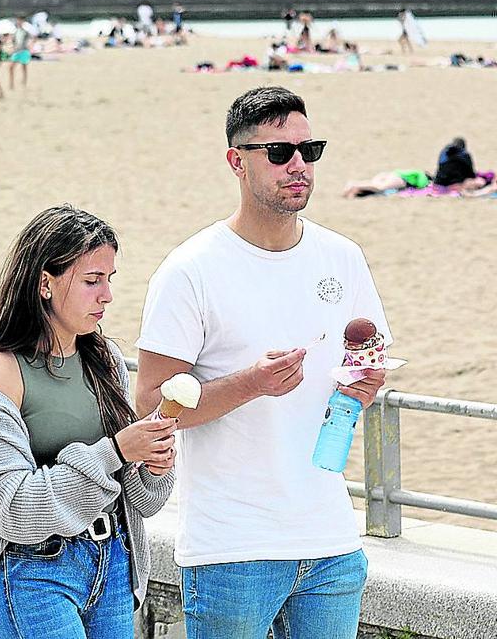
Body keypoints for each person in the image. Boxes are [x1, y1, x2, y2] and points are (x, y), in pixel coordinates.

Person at [135, 86, 390, 639]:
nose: (298, 165)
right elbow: (153, 407)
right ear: (237, 162)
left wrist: (363, 386)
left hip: (330, 542)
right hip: (233, 549)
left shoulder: (342, 258)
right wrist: (251, 384)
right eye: (279, 153)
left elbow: (366, 364)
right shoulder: (190, 271)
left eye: (309, 150)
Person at [0, 205, 176, 639]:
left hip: (113, 564)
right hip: (33, 570)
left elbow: (144, 504)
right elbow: (11, 508)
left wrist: (153, 465)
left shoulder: (105, 361)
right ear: (45, 283)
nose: (107, 295)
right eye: (92, 281)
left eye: (109, 279)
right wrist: (114, 452)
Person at [342, 168, 431, 198]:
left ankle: (355, 187)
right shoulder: (423, 175)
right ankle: (354, 185)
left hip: (389, 174)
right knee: (379, 188)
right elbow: (422, 184)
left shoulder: (415, 172)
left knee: (372, 184)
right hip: (399, 178)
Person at [9, 14, 32, 89]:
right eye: (18, 20)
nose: (18, 22)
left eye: (20, 20)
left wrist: (29, 46)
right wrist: (13, 48)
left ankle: (24, 82)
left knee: (24, 67)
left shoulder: (25, 31)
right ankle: (12, 83)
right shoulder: (15, 31)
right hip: (17, 51)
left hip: (23, 50)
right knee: (11, 67)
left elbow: (32, 38)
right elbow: (13, 41)